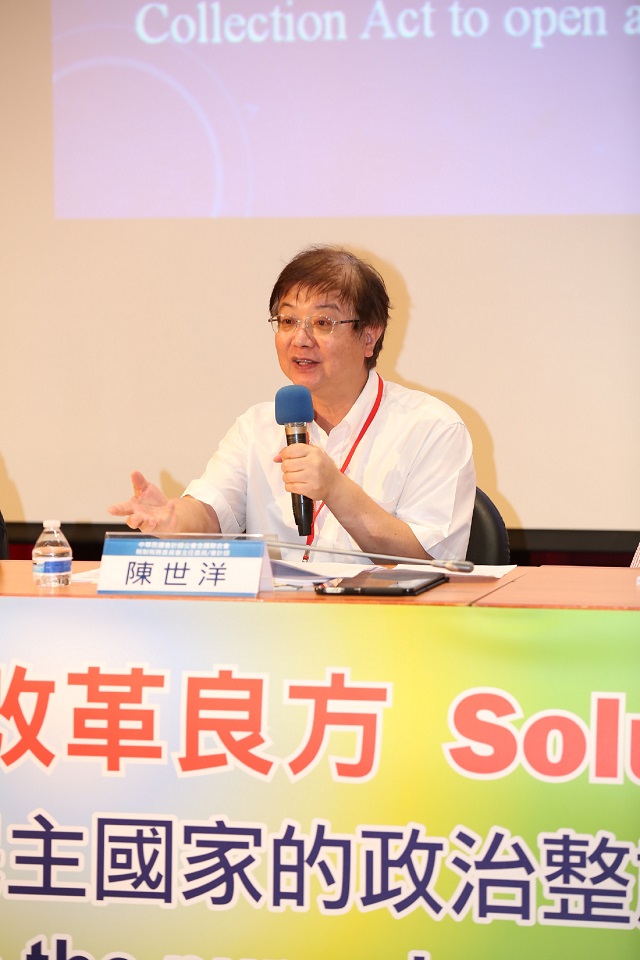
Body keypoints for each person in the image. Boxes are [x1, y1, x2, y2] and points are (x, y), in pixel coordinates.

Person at [109, 246, 475, 561]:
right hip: (277, 617)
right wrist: (173, 518)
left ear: (369, 336)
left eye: (322, 322)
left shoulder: (432, 428)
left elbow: (432, 559)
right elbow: (211, 513)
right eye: (287, 320)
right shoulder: (257, 426)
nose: (300, 338)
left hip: (386, 619)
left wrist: (335, 489)